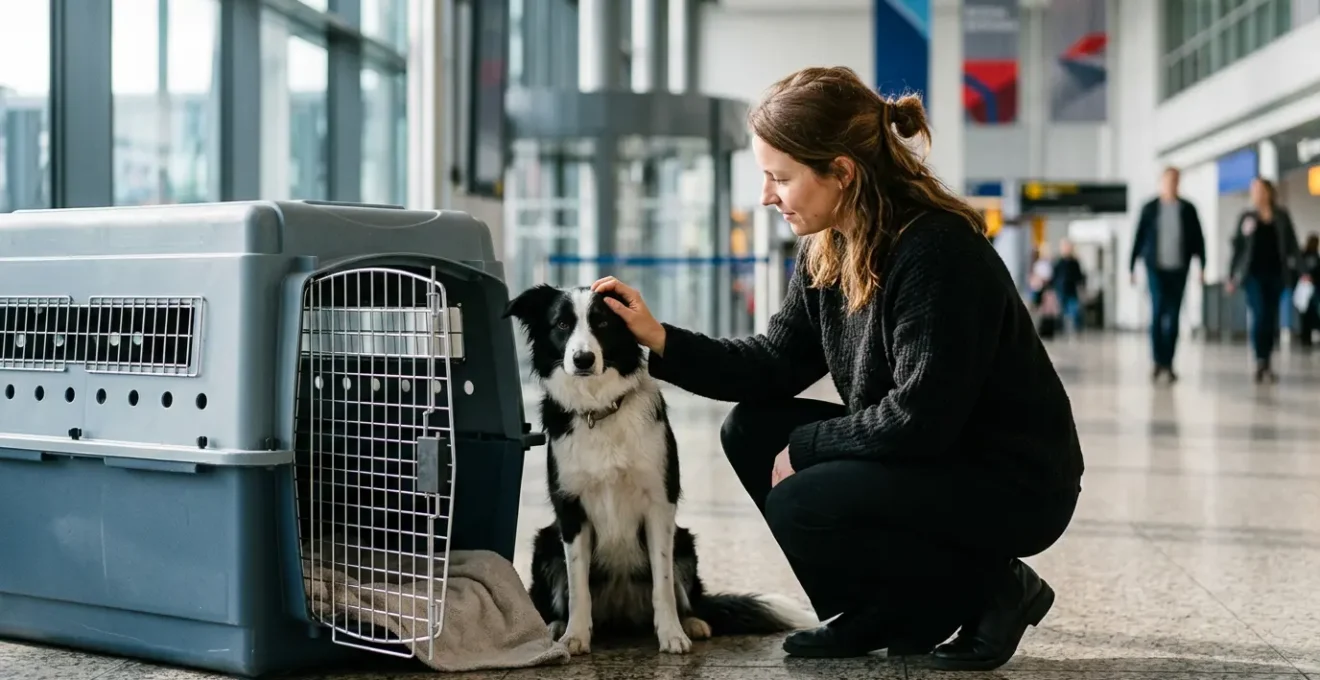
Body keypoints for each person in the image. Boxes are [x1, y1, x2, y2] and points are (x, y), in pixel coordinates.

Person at [591, 66, 1083, 672]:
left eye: (780, 178)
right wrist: (657, 337)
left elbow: (920, 418)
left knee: (805, 496)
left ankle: (996, 586)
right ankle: (881, 607)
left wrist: (806, 446)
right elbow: (771, 364)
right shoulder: (831, 246)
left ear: (842, 173)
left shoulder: (937, 252)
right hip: (936, 454)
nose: (767, 196)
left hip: (1011, 479)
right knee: (749, 430)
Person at [1129, 166, 1206, 383]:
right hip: (1155, 269)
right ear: (1161, 182)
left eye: (1175, 180)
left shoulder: (1188, 209)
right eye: (1167, 180)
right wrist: (1131, 267)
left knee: (1173, 317)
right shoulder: (1150, 209)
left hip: (1179, 270)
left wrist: (1202, 266)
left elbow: (1199, 239)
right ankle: (1157, 361)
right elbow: (1138, 238)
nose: (1171, 184)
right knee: (1157, 314)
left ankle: (1169, 363)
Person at [1226, 177, 1300, 382]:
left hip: (1276, 274)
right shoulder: (1246, 217)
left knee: (1271, 318)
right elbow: (1238, 248)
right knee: (1259, 315)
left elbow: (1292, 245)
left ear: (1268, 192)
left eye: (1260, 189)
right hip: (1253, 275)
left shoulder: (1281, 216)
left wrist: (1302, 271)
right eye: (1253, 190)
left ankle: (1267, 360)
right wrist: (1231, 275)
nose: (1256, 194)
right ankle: (1260, 359)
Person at [1051, 239, 1087, 334]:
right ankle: (1060, 329)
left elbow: (1079, 277)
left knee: (1075, 311)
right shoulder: (1058, 262)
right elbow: (1054, 276)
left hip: (1072, 290)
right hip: (1061, 290)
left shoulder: (1075, 262)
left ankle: (1077, 328)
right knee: (1060, 312)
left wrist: (1082, 287)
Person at [1299, 233, 1320, 350]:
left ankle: (1305, 337)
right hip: (1311, 288)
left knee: (1306, 314)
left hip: (1306, 288)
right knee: (1311, 313)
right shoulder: (1314, 256)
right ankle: (1307, 337)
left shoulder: (1303, 255)